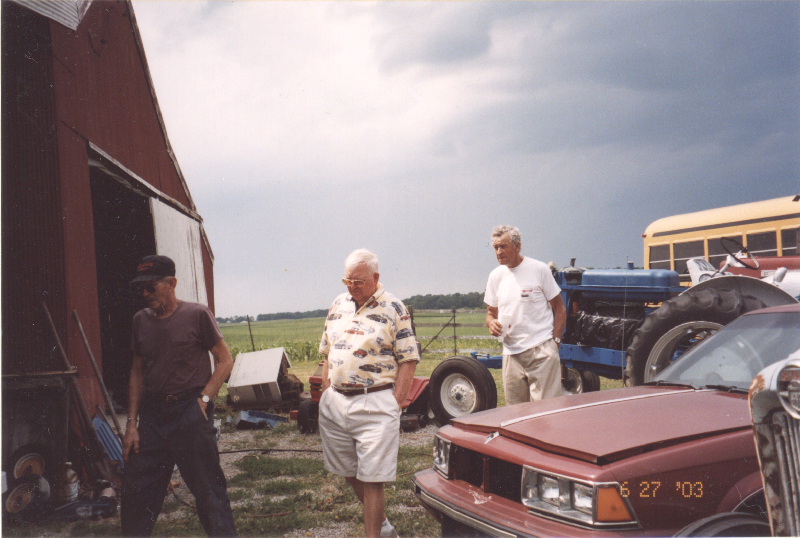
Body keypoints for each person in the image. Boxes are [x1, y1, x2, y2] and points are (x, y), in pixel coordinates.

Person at [121, 255, 236, 537]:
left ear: (171, 283)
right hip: (153, 416)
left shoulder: (197, 315)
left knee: (208, 490)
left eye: (151, 287)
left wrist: (205, 399)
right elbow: (136, 372)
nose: (145, 294)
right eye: (141, 289)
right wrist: (132, 425)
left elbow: (224, 360)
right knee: (136, 492)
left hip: (189, 411)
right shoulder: (140, 321)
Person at [318, 249, 419, 538]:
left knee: (373, 478)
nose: (351, 287)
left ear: (376, 278)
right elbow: (326, 351)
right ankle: (384, 526)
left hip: (376, 401)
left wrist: (395, 404)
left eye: (359, 281)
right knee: (348, 470)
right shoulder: (338, 304)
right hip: (336, 402)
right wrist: (327, 393)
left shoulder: (394, 309)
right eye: (347, 280)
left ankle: (374, 535)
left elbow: (408, 359)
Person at [484, 226, 566, 405]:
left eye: (503, 246)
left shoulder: (539, 269)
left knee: (546, 414)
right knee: (516, 416)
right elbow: (491, 313)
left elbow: (560, 309)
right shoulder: (495, 276)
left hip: (541, 352)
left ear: (517, 246)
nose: (499, 252)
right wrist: (491, 324)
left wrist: (555, 343)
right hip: (511, 355)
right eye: (495, 248)